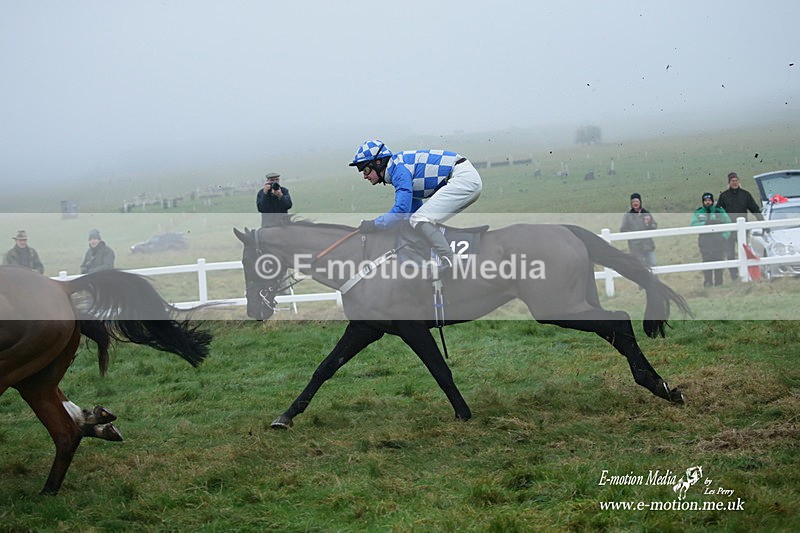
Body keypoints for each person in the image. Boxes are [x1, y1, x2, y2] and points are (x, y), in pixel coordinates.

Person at [349, 139, 482, 275]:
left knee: (419, 219)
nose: (364, 176)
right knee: (416, 221)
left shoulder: (399, 171)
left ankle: (451, 260)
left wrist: (374, 224)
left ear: (378, 162)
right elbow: (411, 210)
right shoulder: (397, 167)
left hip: (463, 179)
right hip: (463, 177)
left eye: (365, 169)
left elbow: (401, 210)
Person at [716, 171, 763, 281]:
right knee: (730, 253)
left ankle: (747, 274)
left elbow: (754, 208)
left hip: (743, 230)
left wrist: (762, 222)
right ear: (729, 182)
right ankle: (734, 276)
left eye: (736, 180)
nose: (735, 183)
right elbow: (718, 212)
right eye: (733, 181)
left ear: (739, 181)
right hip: (728, 230)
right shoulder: (723, 196)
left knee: (745, 251)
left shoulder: (745, 195)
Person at [691, 192, 731, 287]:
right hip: (705, 242)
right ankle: (708, 282)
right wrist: (705, 224)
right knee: (706, 262)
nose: (707, 202)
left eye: (709, 200)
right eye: (705, 200)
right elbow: (693, 225)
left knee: (718, 261)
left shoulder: (719, 211)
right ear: (703, 202)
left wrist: (724, 236)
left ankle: (719, 283)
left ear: (712, 201)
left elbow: (728, 224)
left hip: (718, 241)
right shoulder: (699, 212)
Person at [620, 192, 658, 268]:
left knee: (652, 264)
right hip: (636, 247)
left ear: (640, 202)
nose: (635, 203)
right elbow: (623, 229)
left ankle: (652, 279)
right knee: (639, 267)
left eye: (637, 201)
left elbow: (654, 225)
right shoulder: (628, 215)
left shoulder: (646, 213)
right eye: (633, 202)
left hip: (648, 244)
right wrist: (634, 235)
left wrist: (649, 224)